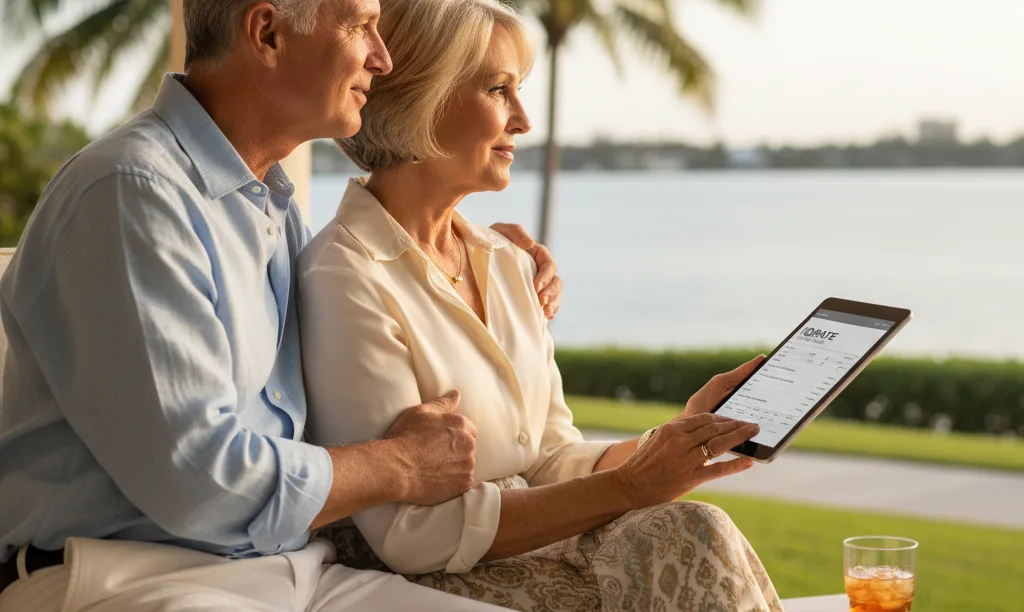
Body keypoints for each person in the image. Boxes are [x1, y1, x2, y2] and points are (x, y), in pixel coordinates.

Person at [0, 1, 564, 611]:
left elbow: (368, 303)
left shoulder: (272, 211)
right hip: (125, 578)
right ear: (267, 33)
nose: (383, 56)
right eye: (359, 26)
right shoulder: (133, 193)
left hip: (288, 574)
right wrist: (397, 464)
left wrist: (483, 259)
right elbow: (199, 481)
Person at [298, 0, 784, 610]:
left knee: (693, 529)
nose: (523, 119)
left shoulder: (508, 262)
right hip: (428, 579)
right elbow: (411, 534)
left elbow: (551, 458)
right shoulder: (344, 276)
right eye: (499, 90)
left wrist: (682, 439)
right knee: (688, 536)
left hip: (529, 550)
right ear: (421, 97)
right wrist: (633, 486)